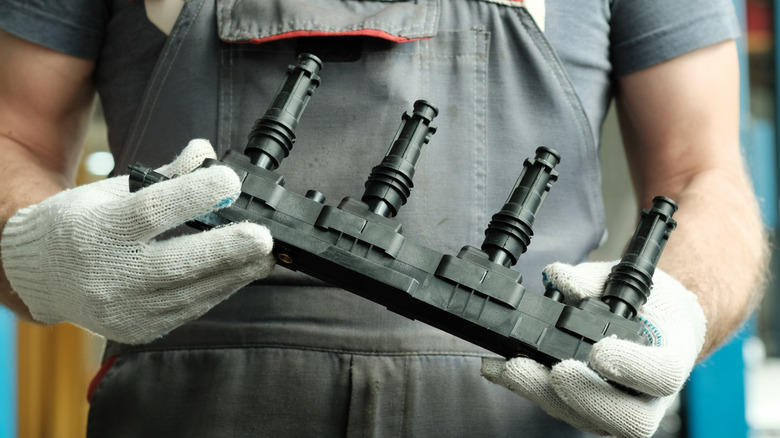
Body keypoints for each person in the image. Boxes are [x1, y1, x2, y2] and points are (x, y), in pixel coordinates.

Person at [0, 0, 767, 436]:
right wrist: (32, 247)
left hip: (523, 411)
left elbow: (704, 171)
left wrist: (680, 307)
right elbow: (14, 134)